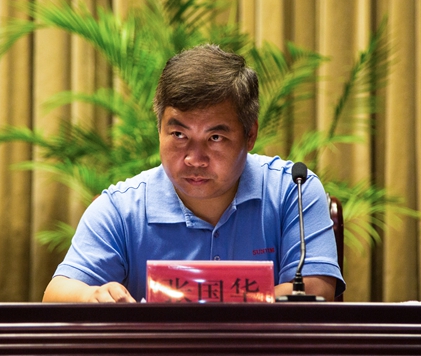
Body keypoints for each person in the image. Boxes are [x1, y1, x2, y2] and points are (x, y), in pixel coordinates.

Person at [42, 44, 345, 303]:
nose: (193, 158)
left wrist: (193, 300)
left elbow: (316, 291)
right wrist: (92, 295)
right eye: (178, 134)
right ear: (159, 129)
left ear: (250, 135)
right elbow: (57, 294)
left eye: (215, 137)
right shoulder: (122, 208)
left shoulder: (293, 190)